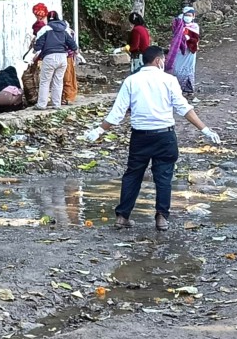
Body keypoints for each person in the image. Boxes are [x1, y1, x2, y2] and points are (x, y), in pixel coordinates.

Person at [84, 46, 221, 231]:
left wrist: (99, 130)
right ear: (158, 61)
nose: (164, 62)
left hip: (140, 137)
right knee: (164, 177)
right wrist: (205, 130)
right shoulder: (169, 80)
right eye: (163, 59)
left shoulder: (131, 81)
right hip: (165, 136)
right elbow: (184, 108)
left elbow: (117, 113)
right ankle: (161, 218)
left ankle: (122, 217)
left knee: (132, 175)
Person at [32, 11, 79, 110]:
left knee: (45, 82)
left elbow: (38, 45)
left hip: (49, 57)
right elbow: (72, 44)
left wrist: (34, 49)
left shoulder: (45, 29)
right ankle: (56, 104)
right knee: (58, 81)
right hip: (62, 58)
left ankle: (42, 105)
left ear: (48, 19)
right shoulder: (64, 29)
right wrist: (76, 51)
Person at [165, 6, 200, 97]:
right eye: (186, 15)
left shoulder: (195, 26)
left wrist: (187, 37)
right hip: (179, 51)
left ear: (193, 16)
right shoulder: (179, 25)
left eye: (190, 15)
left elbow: (195, 39)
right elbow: (175, 35)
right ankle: (177, 88)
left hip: (190, 51)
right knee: (177, 69)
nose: (188, 17)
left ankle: (188, 89)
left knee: (188, 69)